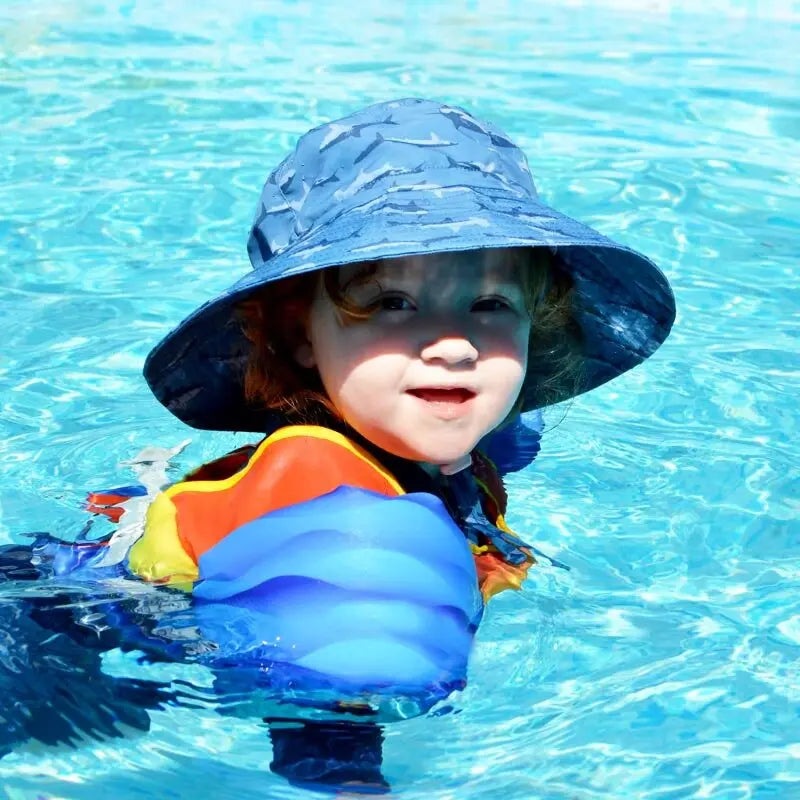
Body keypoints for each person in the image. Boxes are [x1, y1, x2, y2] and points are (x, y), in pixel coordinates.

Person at [122, 97, 675, 791]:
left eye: (490, 305)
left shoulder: (440, 450)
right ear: (298, 333)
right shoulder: (332, 501)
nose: (452, 345)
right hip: (75, 629)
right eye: (391, 303)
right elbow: (329, 708)